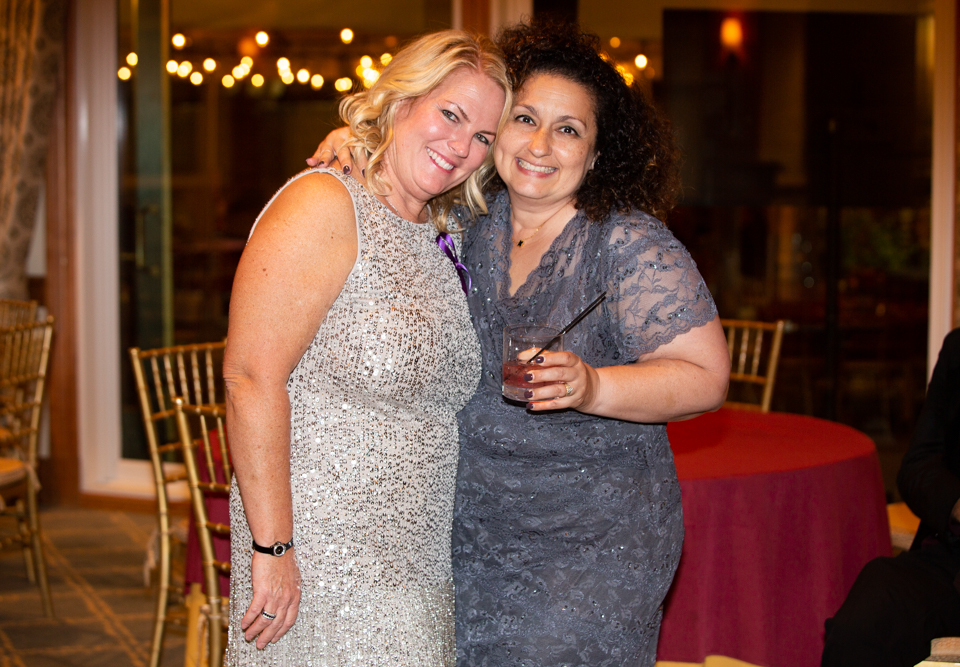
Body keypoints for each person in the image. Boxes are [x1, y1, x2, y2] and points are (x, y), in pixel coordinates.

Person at [311, 21, 730, 666]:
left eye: (568, 130)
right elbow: (400, 177)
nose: (540, 144)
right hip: (467, 530)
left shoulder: (625, 244)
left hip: (592, 544)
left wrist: (594, 385)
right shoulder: (465, 219)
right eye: (525, 119)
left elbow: (705, 376)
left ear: (597, 154)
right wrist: (360, 140)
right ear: (497, 131)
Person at [222, 30, 509, 666]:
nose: (461, 146)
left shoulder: (446, 231)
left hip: (416, 559)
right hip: (318, 555)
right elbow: (249, 377)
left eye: (483, 137)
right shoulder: (324, 202)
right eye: (450, 114)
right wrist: (273, 548)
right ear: (402, 100)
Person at [822, 329, 960, 667]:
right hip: (949, 559)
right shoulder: (958, 349)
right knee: (867, 614)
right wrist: (957, 503)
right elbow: (917, 466)